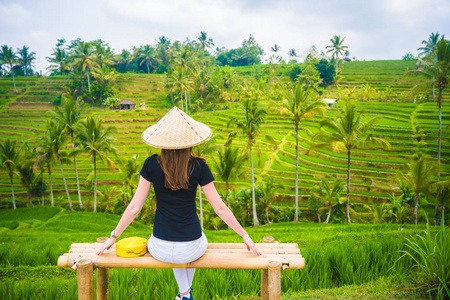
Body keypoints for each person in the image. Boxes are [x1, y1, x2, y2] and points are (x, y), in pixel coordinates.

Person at [96, 107, 261, 300]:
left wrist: (113, 237)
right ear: (190, 141)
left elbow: (134, 208)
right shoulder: (199, 166)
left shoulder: (150, 164)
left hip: (160, 248)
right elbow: (220, 209)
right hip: (191, 247)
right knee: (197, 239)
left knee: (161, 238)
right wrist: (245, 234)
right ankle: (185, 293)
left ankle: (184, 294)